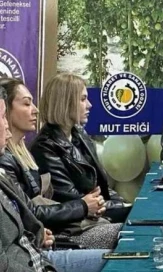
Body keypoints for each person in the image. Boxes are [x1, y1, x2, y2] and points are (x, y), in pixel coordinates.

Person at [0, 78, 121, 249]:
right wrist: (84, 206)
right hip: (59, 235)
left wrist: (109, 203)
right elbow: (31, 212)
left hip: (57, 230)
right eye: (26, 104)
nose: (35, 110)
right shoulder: (36, 149)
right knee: (123, 235)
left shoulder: (77, 136)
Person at [30, 73, 130, 224]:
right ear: (65, 102)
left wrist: (122, 203)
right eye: (83, 99)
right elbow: (71, 199)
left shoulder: (80, 134)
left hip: (96, 212)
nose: (89, 105)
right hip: (75, 223)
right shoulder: (45, 147)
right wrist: (120, 207)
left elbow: (101, 188)